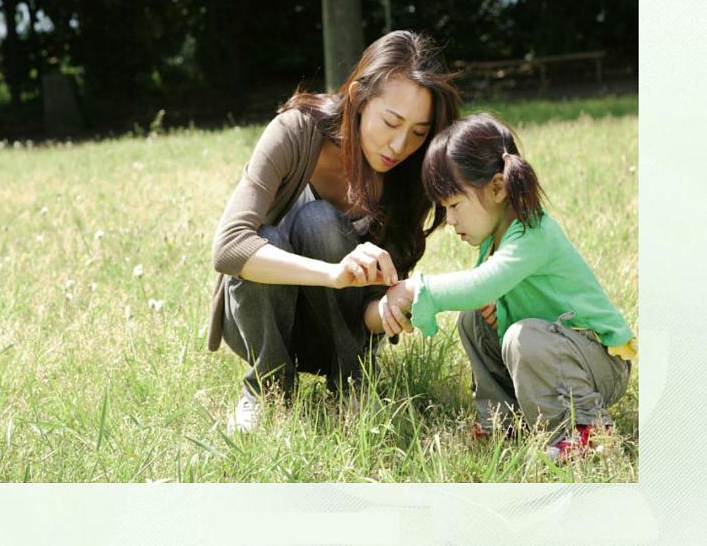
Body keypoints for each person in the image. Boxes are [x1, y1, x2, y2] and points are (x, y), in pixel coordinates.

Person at [208, 30, 461, 432]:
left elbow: (374, 313)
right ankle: (267, 391)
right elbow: (229, 248)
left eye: (418, 133)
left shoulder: (412, 177)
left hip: (344, 334)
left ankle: (350, 385)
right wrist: (333, 274)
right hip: (264, 325)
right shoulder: (296, 132)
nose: (399, 146)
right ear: (359, 97)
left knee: (320, 223)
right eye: (391, 122)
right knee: (278, 235)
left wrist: (397, 306)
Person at [384, 112, 636, 459]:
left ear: (498, 188)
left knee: (523, 337)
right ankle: (503, 420)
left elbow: (480, 286)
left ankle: (583, 428)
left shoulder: (533, 233)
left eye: (455, 205)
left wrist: (416, 289)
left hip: (598, 362)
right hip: (554, 349)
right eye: (444, 208)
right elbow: (483, 296)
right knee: (473, 320)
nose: (451, 220)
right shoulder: (493, 240)